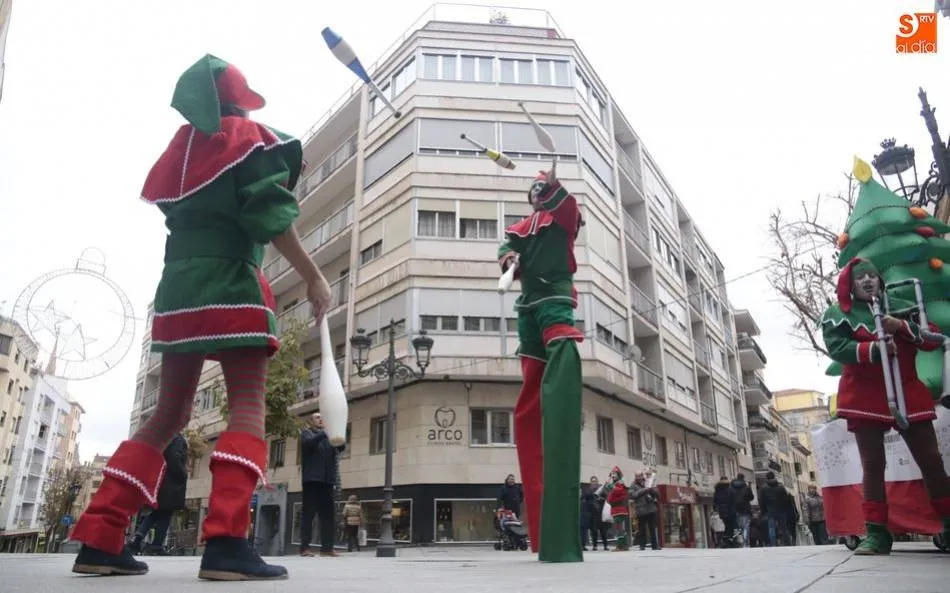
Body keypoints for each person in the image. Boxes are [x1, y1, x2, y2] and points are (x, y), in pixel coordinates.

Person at [68, 54, 333, 581]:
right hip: (232, 281)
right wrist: (313, 275)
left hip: (178, 288)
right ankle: (227, 543)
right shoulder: (248, 137)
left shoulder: (180, 148)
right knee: (248, 409)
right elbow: (269, 216)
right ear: (239, 93)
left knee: (167, 415)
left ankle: (100, 537)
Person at [821, 257, 950, 554]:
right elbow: (838, 347)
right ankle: (877, 533)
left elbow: (931, 339)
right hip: (865, 395)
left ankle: (949, 522)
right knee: (873, 463)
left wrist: (902, 326)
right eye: (860, 277)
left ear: (879, 279)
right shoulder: (839, 313)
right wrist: (874, 349)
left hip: (906, 389)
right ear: (851, 285)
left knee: (931, 459)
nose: (867, 281)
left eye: (871, 275)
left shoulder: (903, 303)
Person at [497, 157, 585, 562]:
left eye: (542, 189)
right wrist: (510, 262)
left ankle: (558, 534)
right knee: (529, 397)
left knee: (560, 350)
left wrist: (553, 182)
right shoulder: (520, 227)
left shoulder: (564, 215)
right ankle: (538, 534)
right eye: (534, 190)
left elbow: (567, 207)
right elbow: (508, 246)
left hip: (554, 298)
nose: (537, 194)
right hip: (528, 305)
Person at [129, 433, 188, 554]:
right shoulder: (177, 439)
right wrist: (183, 474)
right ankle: (156, 545)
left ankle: (137, 538)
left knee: (156, 513)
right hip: (171, 482)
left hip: (160, 480)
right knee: (165, 513)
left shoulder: (166, 437)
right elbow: (174, 458)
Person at [299, 413, 346, 557]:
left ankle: (327, 548)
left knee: (328, 516)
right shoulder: (306, 433)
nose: (321, 419)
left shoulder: (328, 436)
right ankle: (304, 547)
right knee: (309, 514)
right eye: (317, 417)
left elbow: (341, 448)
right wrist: (324, 434)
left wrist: (338, 434)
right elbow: (309, 445)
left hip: (327, 481)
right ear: (311, 422)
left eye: (322, 417)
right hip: (312, 480)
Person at [629, 471, 660, 550]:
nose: (639, 478)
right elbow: (633, 495)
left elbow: (658, 495)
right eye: (637, 476)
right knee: (641, 529)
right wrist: (645, 489)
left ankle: (655, 545)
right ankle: (642, 545)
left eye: (640, 476)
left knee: (652, 528)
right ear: (635, 477)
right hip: (641, 509)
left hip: (650, 508)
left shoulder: (648, 482)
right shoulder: (633, 485)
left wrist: (652, 490)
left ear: (642, 476)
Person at [758, 471, 789, 546]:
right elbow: (786, 499)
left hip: (770, 511)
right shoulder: (780, 487)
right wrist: (784, 508)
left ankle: (773, 544)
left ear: (766, 478)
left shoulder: (763, 488)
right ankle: (787, 542)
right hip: (781, 510)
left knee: (771, 528)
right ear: (774, 477)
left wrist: (763, 511)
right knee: (784, 527)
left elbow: (762, 501)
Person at [604, 467, 630, 551]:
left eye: (614, 474)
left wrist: (611, 486)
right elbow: (610, 495)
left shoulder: (620, 483)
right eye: (611, 474)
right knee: (620, 528)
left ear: (618, 475)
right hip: (615, 509)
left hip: (619, 509)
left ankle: (620, 546)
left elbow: (619, 491)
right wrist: (607, 486)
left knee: (619, 528)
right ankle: (625, 545)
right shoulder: (615, 484)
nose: (612, 475)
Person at [729, 473, 755, 546]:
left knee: (737, 528)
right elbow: (751, 497)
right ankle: (745, 542)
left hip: (735, 510)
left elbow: (729, 499)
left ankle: (739, 543)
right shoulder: (746, 487)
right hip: (745, 509)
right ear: (743, 478)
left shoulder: (731, 488)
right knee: (745, 526)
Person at [712, 476, 736, 545]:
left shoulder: (717, 490)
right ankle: (729, 540)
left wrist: (717, 508)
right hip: (730, 509)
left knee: (726, 524)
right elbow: (733, 499)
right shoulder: (730, 488)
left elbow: (715, 501)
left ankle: (726, 539)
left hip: (722, 510)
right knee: (730, 525)